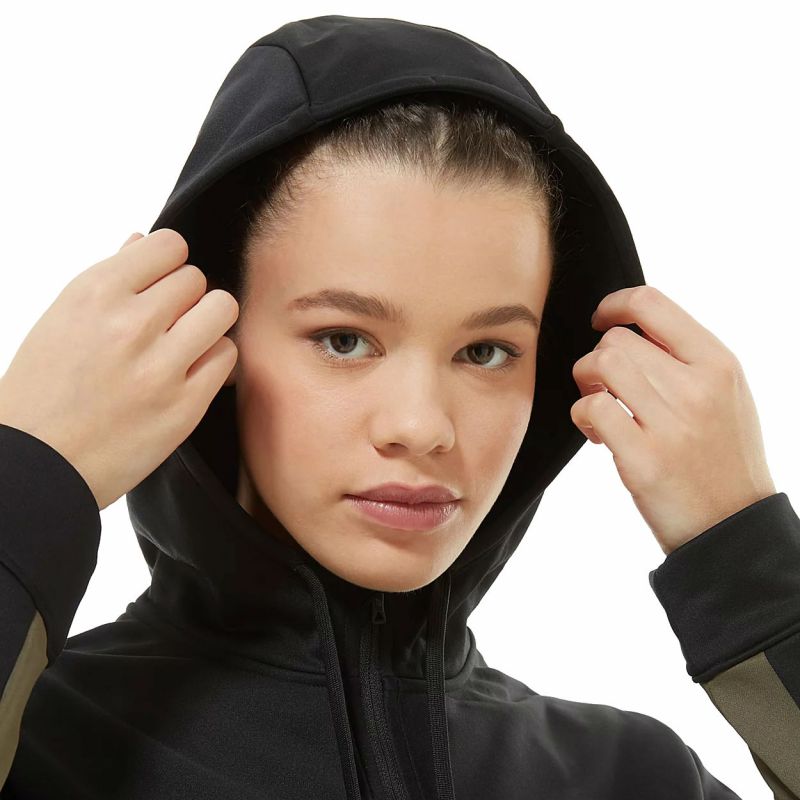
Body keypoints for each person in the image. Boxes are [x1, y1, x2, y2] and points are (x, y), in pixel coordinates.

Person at [1, 14, 798, 799]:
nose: (421, 427)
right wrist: (29, 474)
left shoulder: (630, 779)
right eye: (344, 340)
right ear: (211, 340)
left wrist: (743, 549)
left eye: (486, 352)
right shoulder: (44, 744)